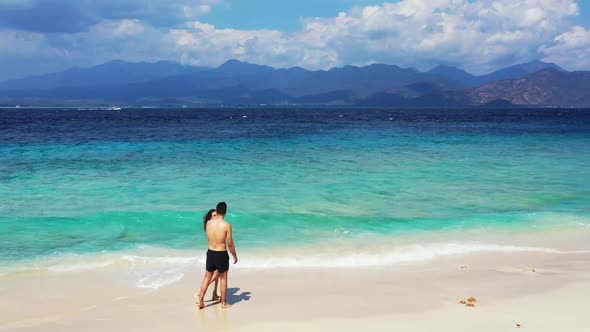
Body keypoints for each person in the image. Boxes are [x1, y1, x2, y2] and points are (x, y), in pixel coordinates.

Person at [196, 202, 238, 309]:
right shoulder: (226, 225)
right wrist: (234, 255)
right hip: (221, 254)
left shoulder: (209, 223)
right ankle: (223, 303)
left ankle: (200, 301)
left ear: (217, 210)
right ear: (225, 212)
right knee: (223, 279)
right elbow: (230, 243)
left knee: (207, 277)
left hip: (210, 253)